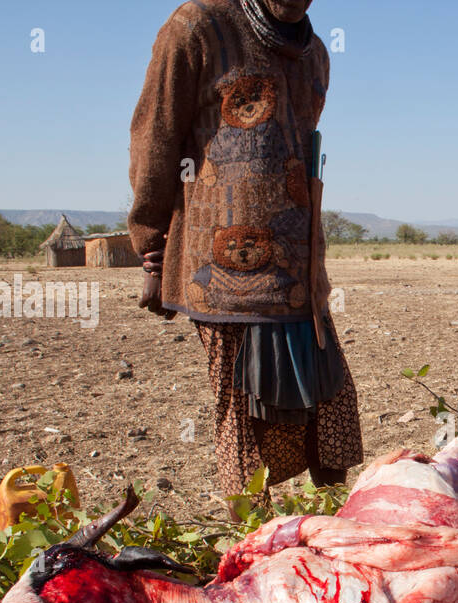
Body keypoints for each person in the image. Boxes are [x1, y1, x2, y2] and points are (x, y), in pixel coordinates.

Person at [129, 0, 363, 507]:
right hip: (223, 270)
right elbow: (157, 136)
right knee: (243, 413)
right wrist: (150, 247)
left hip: (300, 269)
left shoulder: (316, 52)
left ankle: (337, 532)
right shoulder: (198, 27)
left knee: (331, 407)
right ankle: (249, 545)